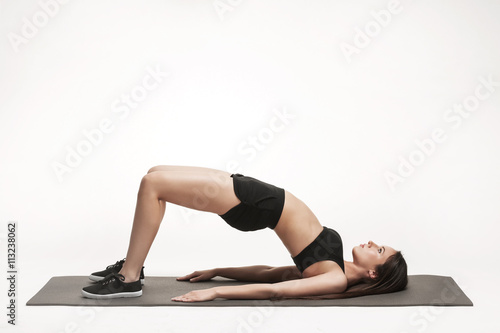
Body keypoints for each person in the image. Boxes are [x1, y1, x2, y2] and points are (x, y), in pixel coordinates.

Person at [81, 165, 408, 302]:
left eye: (380, 251)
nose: (373, 243)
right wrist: (219, 272)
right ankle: (131, 265)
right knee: (155, 173)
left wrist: (215, 293)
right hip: (256, 194)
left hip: (253, 204)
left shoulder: (334, 279)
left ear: (372, 273)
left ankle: (129, 277)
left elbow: (275, 290)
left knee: (152, 186)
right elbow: (272, 273)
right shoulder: (334, 266)